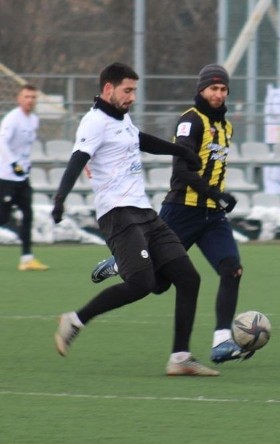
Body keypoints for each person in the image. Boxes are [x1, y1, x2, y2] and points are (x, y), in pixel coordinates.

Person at [51, 62, 218, 376]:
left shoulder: (122, 119)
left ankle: (180, 358)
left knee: (187, 278)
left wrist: (180, 152)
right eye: (127, 90)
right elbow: (78, 159)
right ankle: (75, 320)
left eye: (134, 91)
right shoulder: (94, 122)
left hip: (144, 212)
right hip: (117, 214)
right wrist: (60, 197)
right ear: (108, 89)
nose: (132, 97)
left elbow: (142, 140)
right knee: (142, 283)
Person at [89, 63, 254, 364]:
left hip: (212, 217)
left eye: (222, 89)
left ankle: (221, 341)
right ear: (201, 90)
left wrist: (216, 199)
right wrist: (217, 194)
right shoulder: (190, 121)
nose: (218, 94)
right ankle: (120, 263)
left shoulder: (227, 126)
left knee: (232, 268)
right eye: (212, 88)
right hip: (182, 211)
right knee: (158, 284)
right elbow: (182, 170)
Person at [0, 84, 49, 271]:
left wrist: (24, 166)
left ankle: (27, 258)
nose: (30, 100)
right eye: (26, 97)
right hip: (6, 177)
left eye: (33, 97)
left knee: (28, 214)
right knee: (3, 218)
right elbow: (2, 142)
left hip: (22, 177)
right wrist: (13, 163)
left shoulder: (34, 120)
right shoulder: (12, 119)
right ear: (19, 99)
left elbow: (25, 148)